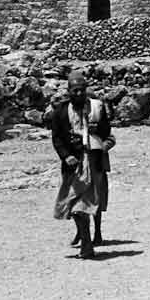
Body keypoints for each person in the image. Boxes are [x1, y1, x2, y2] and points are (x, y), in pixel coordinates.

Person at [52, 70, 114, 260]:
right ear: (69, 91)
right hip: (73, 165)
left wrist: (98, 132)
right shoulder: (60, 111)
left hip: (93, 161)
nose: (78, 94)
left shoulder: (97, 108)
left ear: (86, 89)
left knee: (86, 204)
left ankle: (88, 243)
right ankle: (85, 239)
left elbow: (107, 132)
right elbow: (57, 138)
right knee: (73, 204)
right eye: (74, 90)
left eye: (81, 90)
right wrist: (66, 156)